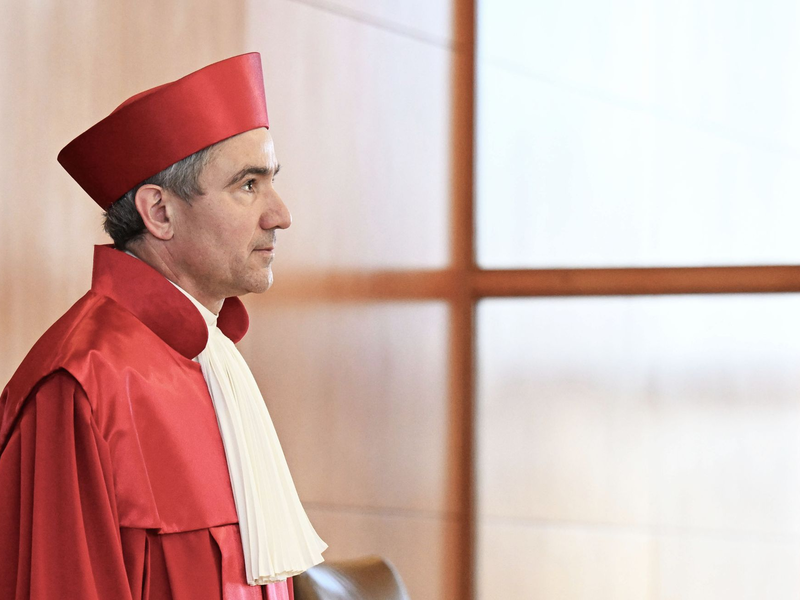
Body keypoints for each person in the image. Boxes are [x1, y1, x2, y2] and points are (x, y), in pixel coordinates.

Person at [0, 53, 326, 600]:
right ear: (160, 213)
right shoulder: (82, 382)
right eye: (248, 185)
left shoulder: (214, 363)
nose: (280, 214)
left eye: (270, 181)